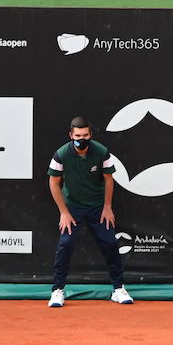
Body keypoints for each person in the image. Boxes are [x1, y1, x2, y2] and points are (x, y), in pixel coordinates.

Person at [46, 116, 132, 309]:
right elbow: (53, 182)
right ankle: (57, 290)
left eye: (85, 135)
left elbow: (109, 179)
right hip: (72, 208)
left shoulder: (101, 152)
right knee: (65, 244)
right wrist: (64, 212)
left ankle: (118, 289)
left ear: (90, 134)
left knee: (110, 242)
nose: (81, 139)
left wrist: (107, 207)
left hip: (97, 206)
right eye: (77, 135)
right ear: (71, 135)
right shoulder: (61, 154)